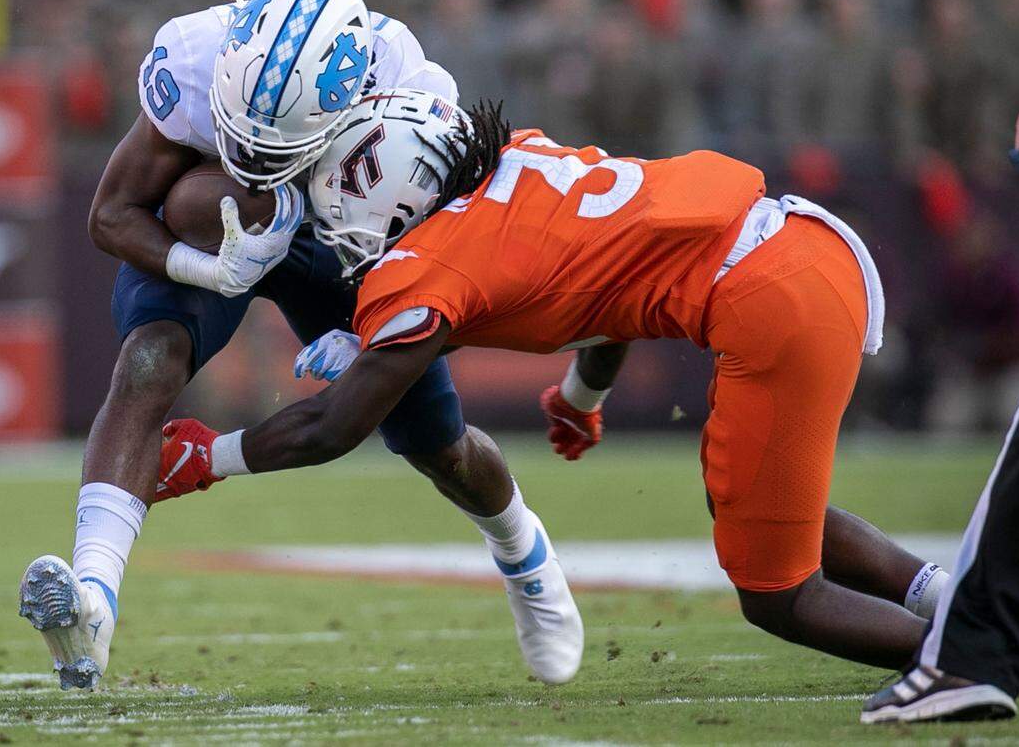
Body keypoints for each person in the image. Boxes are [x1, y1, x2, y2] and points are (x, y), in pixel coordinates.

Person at [160, 89, 958, 670]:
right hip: (801, 244)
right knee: (760, 512)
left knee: (778, 593)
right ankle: (947, 595)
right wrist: (581, 399)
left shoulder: (425, 266)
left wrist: (210, 457)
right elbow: (613, 299)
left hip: (769, 303)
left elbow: (333, 424)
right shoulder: (518, 159)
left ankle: (976, 656)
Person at [17, 0, 582, 691]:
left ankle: (524, 555)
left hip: (350, 244)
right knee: (147, 361)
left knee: (439, 445)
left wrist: (371, 334)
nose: (248, 150)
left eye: (270, 141)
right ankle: (92, 603)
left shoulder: (411, 93)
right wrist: (205, 268)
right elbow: (112, 214)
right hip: (220, 234)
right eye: (234, 128)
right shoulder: (192, 55)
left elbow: (461, 281)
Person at [862, 88, 1019, 723]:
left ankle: (973, 654)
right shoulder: (954, 273)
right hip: (973, 375)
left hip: (1000, 373)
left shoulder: (1004, 271)